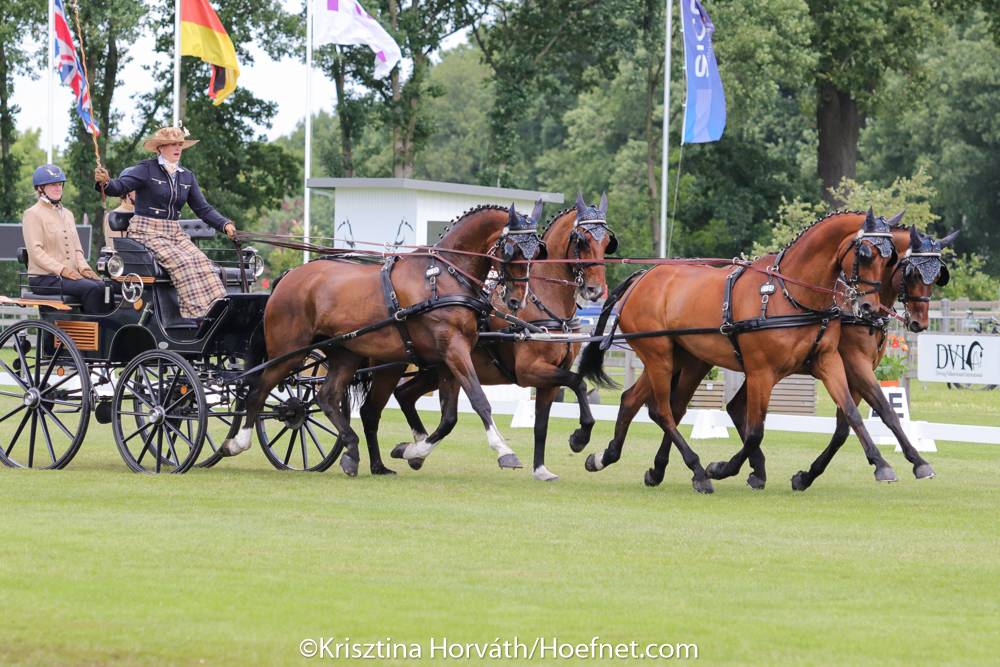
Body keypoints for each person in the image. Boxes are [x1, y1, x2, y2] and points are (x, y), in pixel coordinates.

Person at [94, 126, 238, 319]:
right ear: (160, 148)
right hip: (147, 230)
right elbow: (119, 186)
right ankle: (197, 316)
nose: (177, 148)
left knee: (204, 263)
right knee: (184, 263)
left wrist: (224, 224)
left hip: (173, 232)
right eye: (172, 144)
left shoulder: (186, 176)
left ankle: (219, 313)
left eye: (179, 144)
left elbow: (203, 208)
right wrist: (105, 182)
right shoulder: (146, 169)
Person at [22, 164, 108, 314]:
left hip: (69, 276)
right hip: (44, 278)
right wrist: (62, 270)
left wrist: (84, 268)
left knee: (104, 286)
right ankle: (89, 333)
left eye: (60, 184)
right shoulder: (32, 214)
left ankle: (104, 333)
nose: (58, 188)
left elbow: (77, 248)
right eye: (53, 185)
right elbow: (36, 252)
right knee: (92, 289)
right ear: (41, 188)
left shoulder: (68, 214)